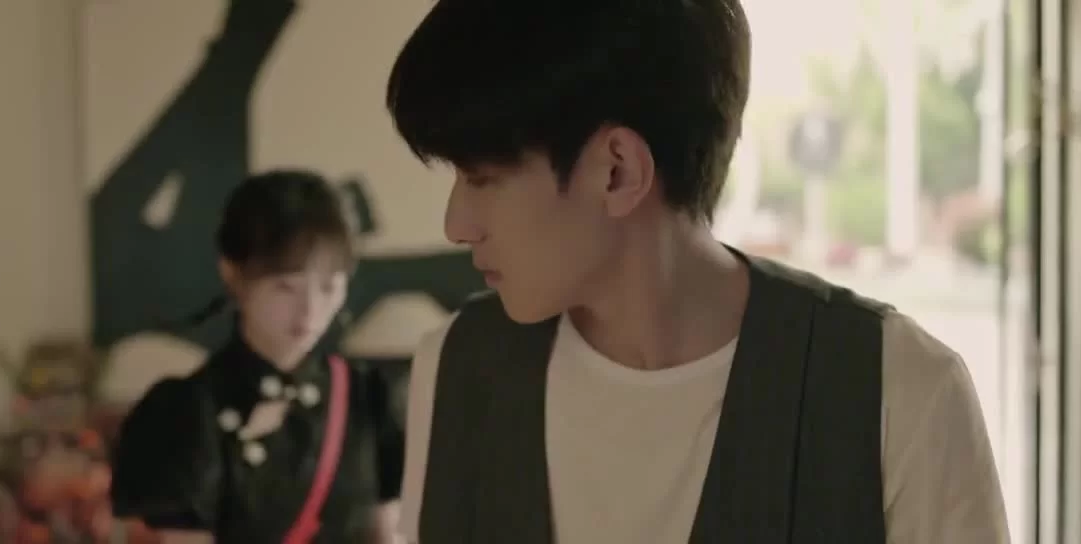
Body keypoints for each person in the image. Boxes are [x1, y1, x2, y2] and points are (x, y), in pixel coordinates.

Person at [383, 1, 1010, 543]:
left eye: (481, 178)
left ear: (617, 171)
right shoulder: (457, 367)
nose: (456, 224)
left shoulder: (898, 391)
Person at [109, 170, 405, 543]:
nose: (310, 311)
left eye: (329, 287)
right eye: (285, 288)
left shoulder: (367, 396)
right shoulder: (184, 412)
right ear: (233, 274)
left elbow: (388, 534)